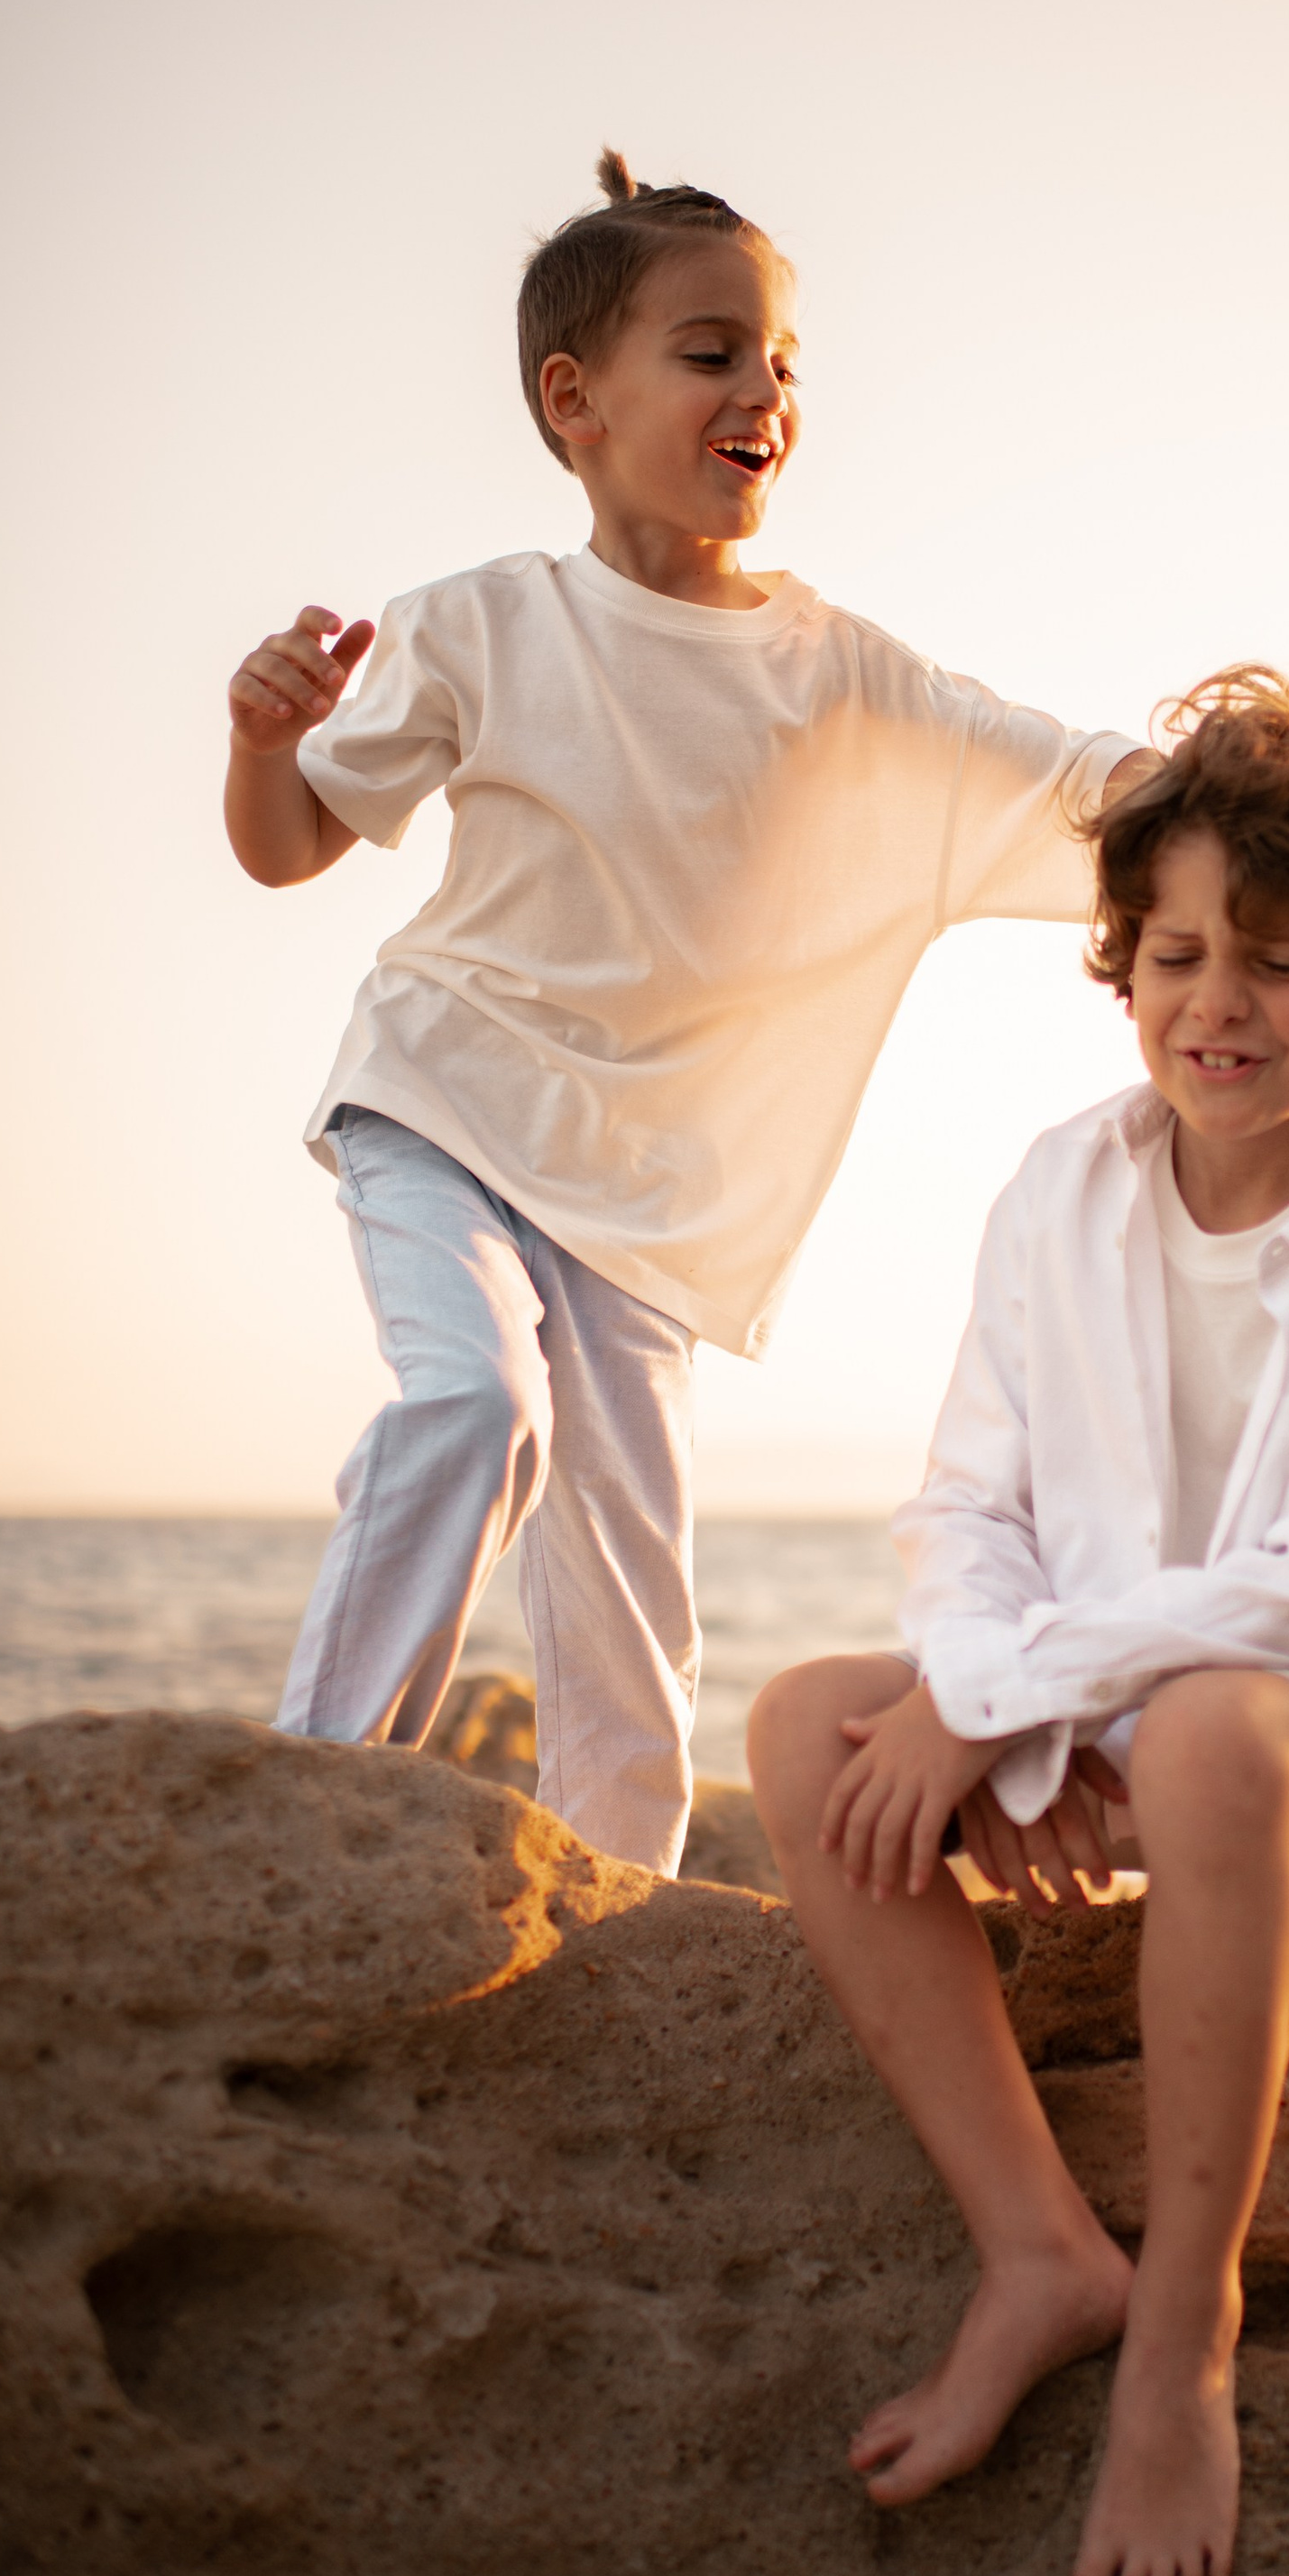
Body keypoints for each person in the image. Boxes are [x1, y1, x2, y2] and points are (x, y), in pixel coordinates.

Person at [224, 154, 1155, 1875]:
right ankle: (313, 1801)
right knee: (474, 1409)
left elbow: (1073, 774)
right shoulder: (485, 625)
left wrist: (1236, 787)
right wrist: (263, 740)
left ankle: (615, 1921)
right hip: (441, 1104)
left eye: (785, 364)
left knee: (634, 1618)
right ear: (573, 402)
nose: (767, 395)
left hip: (645, 1204)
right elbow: (290, 850)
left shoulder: (840, 672)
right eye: (716, 352)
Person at [748, 664, 1289, 2576]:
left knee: (1204, 1734)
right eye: (1176, 950)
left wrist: (1003, 1703)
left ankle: (1180, 2335)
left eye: (1279, 961)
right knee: (793, 1729)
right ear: (1119, 965)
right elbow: (965, 1507)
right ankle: (1039, 2254)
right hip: (1091, 1691)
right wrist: (975, 1709)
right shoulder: (1059, 1189)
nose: (1218, 1001)